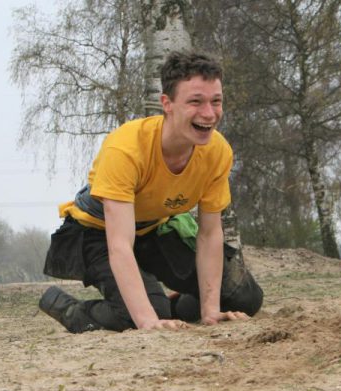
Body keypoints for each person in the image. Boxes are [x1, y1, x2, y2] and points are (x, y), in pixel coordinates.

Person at [38, 51, 263, 333]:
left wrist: (210, 311)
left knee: (244, 297)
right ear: (167, 104)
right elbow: (119, 245)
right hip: (97, 232)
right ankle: (71, 309)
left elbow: (209, 233)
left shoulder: (218, 151)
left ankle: (166, 305)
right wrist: (147, 321)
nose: (209, 114)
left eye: (216, 101)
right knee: (144, 315)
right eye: (195, 101)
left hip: (152, 229)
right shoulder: (126, 148)